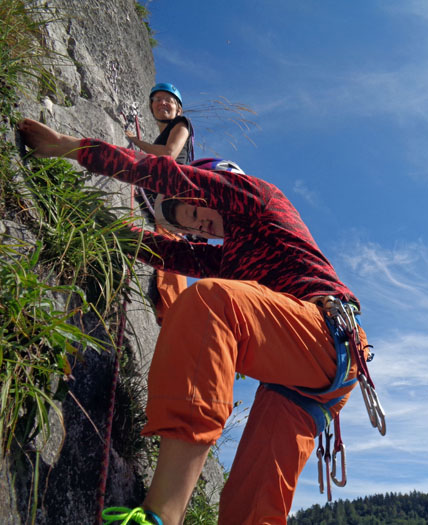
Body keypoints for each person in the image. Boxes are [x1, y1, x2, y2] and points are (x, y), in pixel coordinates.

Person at [18, 118, 372, 525]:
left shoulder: (258, 197)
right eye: (187, 223)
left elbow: (162, 171)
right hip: (316, 374)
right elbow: (163, 253)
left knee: (207, 303)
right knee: (250, 507)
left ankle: (161, 515)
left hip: (328, 331)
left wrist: (71, 148)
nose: (196, 223)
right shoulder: (227, 259)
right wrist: (97, 224)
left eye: (192, 208)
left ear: (210, 188)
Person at [126, 82, 194, 325]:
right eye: (157, 100)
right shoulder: (163, 132)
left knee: (171, 249)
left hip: (172, 200)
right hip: (162, 199)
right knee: (167, 249)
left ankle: (174, 315)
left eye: (169, 100)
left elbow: (168, 154)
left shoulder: (182, 124)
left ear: (178, 109)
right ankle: (169, 312)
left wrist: (135, 142)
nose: (162, 103)